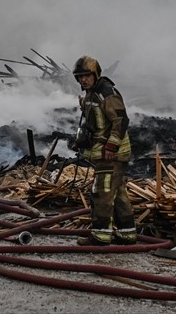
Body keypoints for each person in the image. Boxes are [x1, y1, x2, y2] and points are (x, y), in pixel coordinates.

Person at [71, 56, 136, 246]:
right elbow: (96, 120)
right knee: (117, 192)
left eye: (86, 76)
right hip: (107, 152)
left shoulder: (106, 92)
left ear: (95, 74)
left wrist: (111, 146)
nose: (83, 80)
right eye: (79, 77)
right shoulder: (92, 93)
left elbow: (120, 121)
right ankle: (127, 233)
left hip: (112, 154)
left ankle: (100, 235)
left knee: (102, 191)